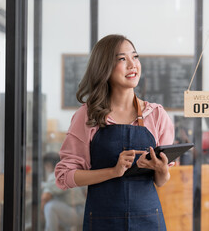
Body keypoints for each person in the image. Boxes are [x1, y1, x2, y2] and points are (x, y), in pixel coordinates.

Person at [55, 34, 175, 231]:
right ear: (104, 67)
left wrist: (161, 169)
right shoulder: (87, 116)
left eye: (135, 57)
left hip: (148, 220)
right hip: (103, 221)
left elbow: (161, 182)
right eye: (122, 59)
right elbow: (64, 176)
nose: (132, 64)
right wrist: (113, 172)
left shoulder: (156, 115)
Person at [42, 152, 85, 231]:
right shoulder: (65, 171)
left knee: (49, 207)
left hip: (77, 213)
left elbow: (45, 197)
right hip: (80, 211)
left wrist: (40, 213)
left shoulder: (56, 175)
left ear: (48, 165)